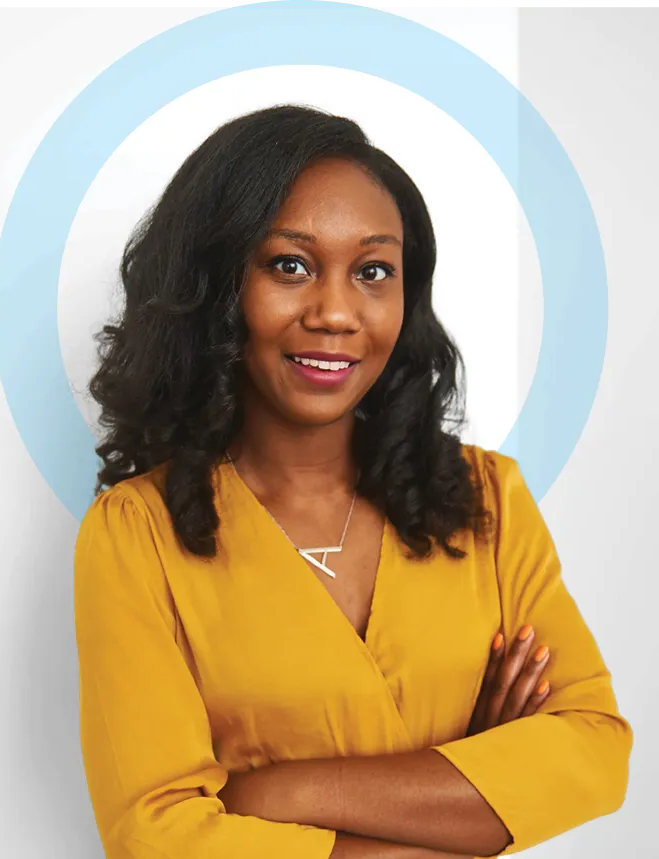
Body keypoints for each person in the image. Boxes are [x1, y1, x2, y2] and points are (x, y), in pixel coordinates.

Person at [73, 104, 632, 859]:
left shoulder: (487, 499)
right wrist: (470, 792)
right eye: (289, 265)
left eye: (373, 271)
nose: (336, 312)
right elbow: (157, 834)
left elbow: (593, 753)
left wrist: (273, 793)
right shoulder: (137, 534)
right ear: (215, 285)